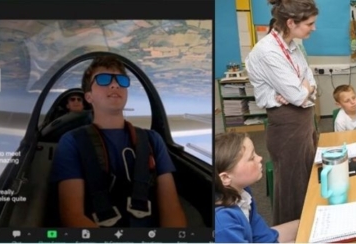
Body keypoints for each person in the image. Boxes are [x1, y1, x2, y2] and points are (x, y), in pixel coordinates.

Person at [50, 55, 187, 228]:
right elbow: (72, 216)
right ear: (89, 97)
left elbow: (172, 211)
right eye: (103, 79)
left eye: (121, 80)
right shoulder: (71, 142)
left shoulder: (152, 140)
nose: (114, 84)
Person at [245, 0, 319, 225]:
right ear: (291, 23)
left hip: (304, 118)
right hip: (287, 123)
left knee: (308, 177)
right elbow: (298, 95)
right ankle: (292, 234)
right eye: (309, 23)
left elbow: (311, 84)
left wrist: (302, 90)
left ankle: (311, 225)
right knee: (291, 188)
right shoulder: (268, 51)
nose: (313, 28)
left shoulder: (292, 46)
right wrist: (301, 90)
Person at [214, 132, 299, 243]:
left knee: (309, 224)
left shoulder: (242, 192)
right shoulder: (223, 223)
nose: (259, 158)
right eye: (251, 158)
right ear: (225, 178)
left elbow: (260, 234)